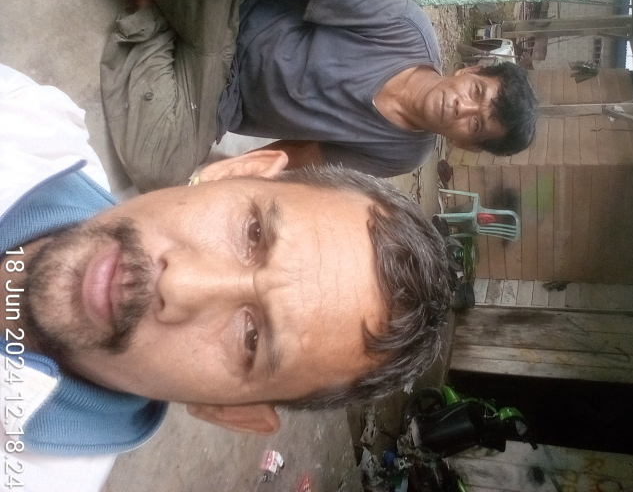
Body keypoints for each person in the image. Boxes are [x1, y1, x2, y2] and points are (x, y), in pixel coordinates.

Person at [0, 62, 450, 492]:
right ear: (235, 170)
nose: (179, 285)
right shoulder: (25, 117)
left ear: (232, 412)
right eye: (253, 233)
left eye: (251, 338)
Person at [0, 0, 538, 191]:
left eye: (477, 125)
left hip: (218, 95)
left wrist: (226, 176)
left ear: (467, 145)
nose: (464, 109)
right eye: (478, 94)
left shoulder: (403, 152)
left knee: (159, 170)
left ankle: (152, 9)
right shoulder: (404, 27)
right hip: (236, 2)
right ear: (471, 72)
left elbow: (298, 154)